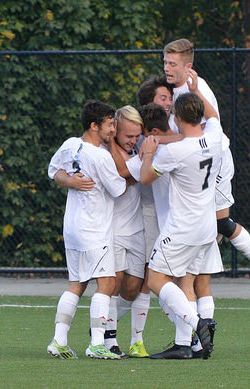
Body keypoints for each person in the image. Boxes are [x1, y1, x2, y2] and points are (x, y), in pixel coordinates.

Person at [163, 38, 250, 297]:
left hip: (215, 161)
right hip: (198, 162)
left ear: (188, 66)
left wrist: (160, 141)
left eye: (173, 64)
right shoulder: (174, 91)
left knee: (220, 222)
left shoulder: (196, 89)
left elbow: (204, 129)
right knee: (207, 228)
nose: (167, 68)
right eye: (165, 62)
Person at [138, 90, 222, 360]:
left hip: (182, 228)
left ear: (176, 116)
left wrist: (149, 152)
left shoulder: (176, 151)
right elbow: (214, 116)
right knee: (187, 282)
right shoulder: (216, 137)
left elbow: (145, 178)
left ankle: (198, 324)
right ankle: (185, 345)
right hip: (207, 228)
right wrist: (195, 88)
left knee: (156, 279)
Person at [46, 100, 126, 360]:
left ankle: (59, 341)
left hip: (72, 227)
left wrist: (68, 180)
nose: (113, 128)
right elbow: (119, 189)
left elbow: (53, 170)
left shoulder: (70, 144)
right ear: (94, 126)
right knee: (107, 283)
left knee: (77, 284)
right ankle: (97, 344)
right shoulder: (100, 156)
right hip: (94, 229)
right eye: (110, 124)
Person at [103, 105, 149, 359]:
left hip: (136, 228)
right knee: (114, 282)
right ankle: (109, 339)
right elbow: (121, 175)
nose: (133, 140)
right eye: (128, 136)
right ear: (115, 131)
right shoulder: (103, 151)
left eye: (136, 135)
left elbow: (126, 173)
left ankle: (99, 324)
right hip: (112, 228)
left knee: (133, 288)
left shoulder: (140, 151)